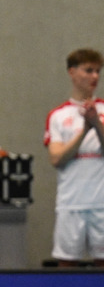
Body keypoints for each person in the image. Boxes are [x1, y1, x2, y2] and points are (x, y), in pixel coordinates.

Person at [44, 48, 104, 266]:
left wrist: (96, 123)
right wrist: (84, 130)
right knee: (67, 265)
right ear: (72, 72)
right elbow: (56, 158)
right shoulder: (58, 115)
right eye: (88, 70)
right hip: (71, 203)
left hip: (101, 204)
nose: (94, 76)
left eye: (97, 71)